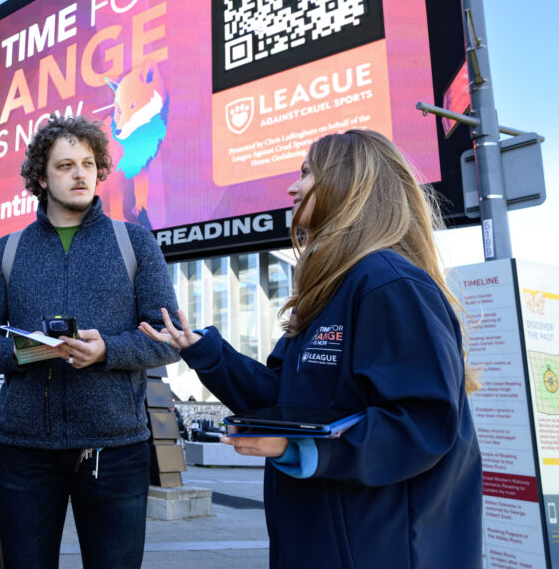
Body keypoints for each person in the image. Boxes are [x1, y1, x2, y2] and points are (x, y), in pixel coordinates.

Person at [140, 129, 482, 569]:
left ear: (349, 183)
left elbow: (422, 424)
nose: (292, 187)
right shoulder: (332, 290)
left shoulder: (387, 282)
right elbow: (285, 401)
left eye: (306, 173)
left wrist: (305, 448)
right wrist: (207, 353)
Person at [0, 115, 179, 569]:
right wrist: (27, 352)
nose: (80, 174)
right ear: (41, 177)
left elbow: (168, 338)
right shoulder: (7, 250)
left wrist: (107, 352)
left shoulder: (135, 242)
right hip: (25, 452)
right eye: (65, 165)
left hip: (114, 450)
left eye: (88, 164)